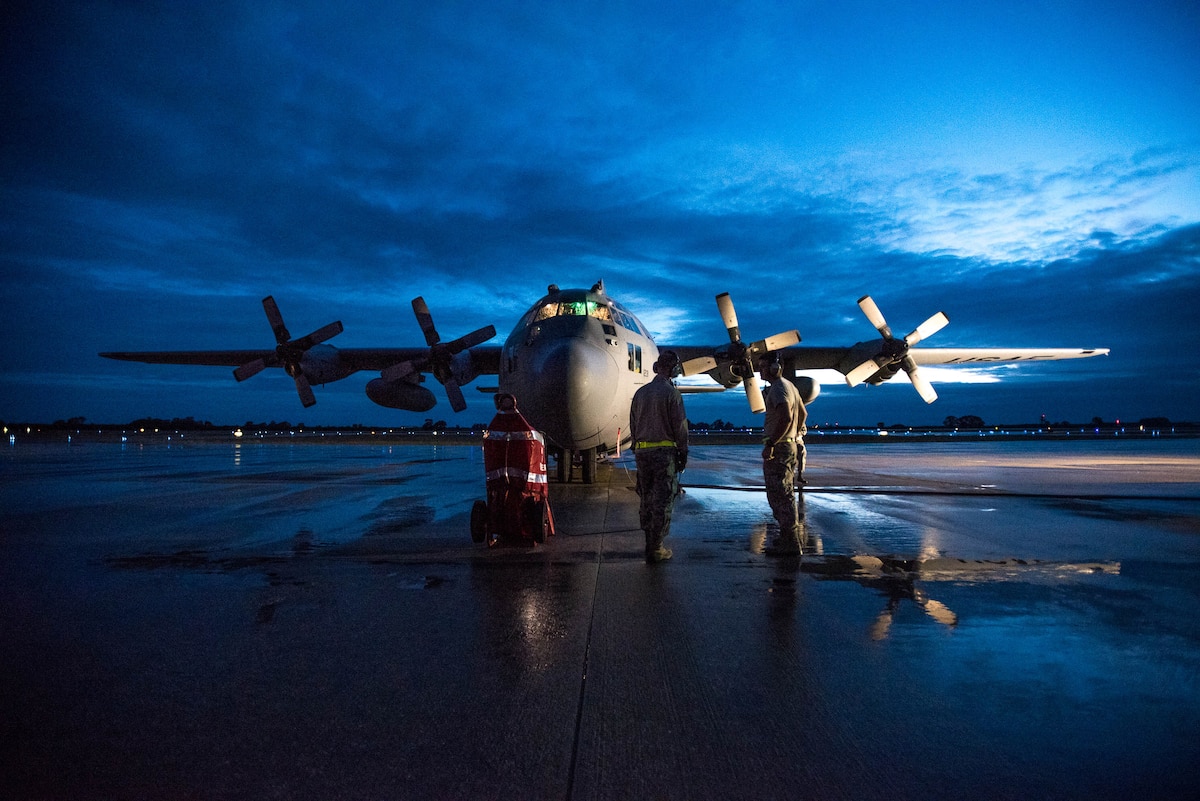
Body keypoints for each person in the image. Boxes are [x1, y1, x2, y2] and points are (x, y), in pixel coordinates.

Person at [629, 349, 689, 563]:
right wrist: (683, 452)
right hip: (664, 455)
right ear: (672, 368)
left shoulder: (640, 393)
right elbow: (680, 427)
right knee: (663, 499)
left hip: (642, 454)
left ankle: (649, 542)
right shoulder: (672, 394)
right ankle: (657, 547)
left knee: (646, 497)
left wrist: (637, 446)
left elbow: (633, 425)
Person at [759, 352, 807, 555]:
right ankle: (788, 539)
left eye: (762, 366)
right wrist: (796, 435)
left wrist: (772, 442)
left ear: (774, 367)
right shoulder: (790, 387)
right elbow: (803, 413)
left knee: (780, 494)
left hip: (780, 448)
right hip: (788, 445)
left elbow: (786, 417)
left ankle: (791, 544)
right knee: (783, 493)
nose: (759, 370)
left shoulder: (778, 389)